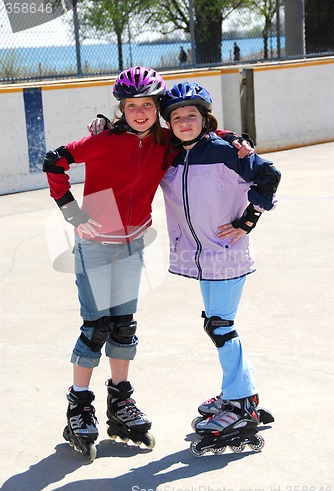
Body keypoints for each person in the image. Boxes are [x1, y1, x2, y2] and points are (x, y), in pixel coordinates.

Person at [44, 66, 253, 457]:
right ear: (121, 108)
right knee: (96, 327)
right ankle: (80, 404)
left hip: (134, 242)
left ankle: (120, 401)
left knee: (123, 327)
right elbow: (55, 161)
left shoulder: (164, 143)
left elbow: (199, 137)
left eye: (147, 105)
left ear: (157, 106)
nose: (139, 112)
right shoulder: (102, 139)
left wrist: (234, 138)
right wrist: (73, 214)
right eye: (131, 106)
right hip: (96, 245)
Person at [158, 82, 281, 453]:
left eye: (191, 115)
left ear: (204, 118)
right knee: (216, 324)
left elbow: (269, 176)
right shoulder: (171, 156)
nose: (183, 122)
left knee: (220, 325)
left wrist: (248, 219)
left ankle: (242, 403)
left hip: (228, 252)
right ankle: (239, 392)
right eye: (176, 117)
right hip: (200, 256)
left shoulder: (226, 151)